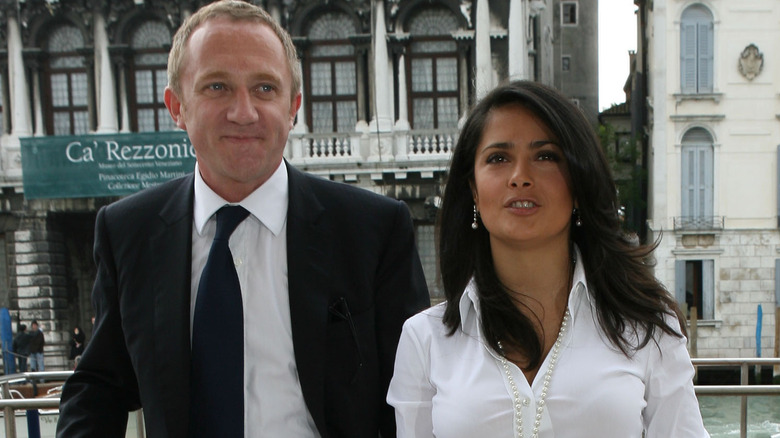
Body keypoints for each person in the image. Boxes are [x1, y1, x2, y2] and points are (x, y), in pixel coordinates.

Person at [56, 1, 430, 437]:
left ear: (294, 106)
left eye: (265, 89)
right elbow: (99, 387)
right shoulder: (127, 232)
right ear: (177, 106)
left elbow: (412, 391)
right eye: (217, 87)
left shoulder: (373, 229)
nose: (244, 112)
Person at [387, 81, 709, 437]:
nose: (520, 177)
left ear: (577, 183)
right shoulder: (425, 340)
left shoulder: (646, 326)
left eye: (545, 156)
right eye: (498, 158)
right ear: (474, 190)